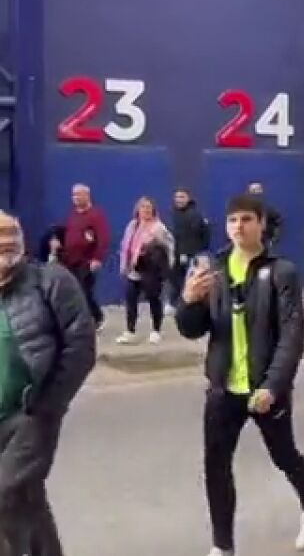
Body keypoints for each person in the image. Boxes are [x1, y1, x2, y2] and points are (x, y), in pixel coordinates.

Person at [177, 194, 304, 555]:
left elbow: (291, 336)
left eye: (246, 220)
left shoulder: (281, 271)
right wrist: (189, 301)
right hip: (223, 388)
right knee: (216, 466)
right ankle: (222, 545)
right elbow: (193, 330)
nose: (238, 227)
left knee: (284, 455)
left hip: (264, 389)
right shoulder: (215, 269)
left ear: (261, 224)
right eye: (232, 221)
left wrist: (273, 386)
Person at [0, 211, 96, 556]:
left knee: (6, 495)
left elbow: (81, 346)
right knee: (28, 496)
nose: (5, 250)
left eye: (10, 241)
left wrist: (49, 404)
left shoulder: (50, 280)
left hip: (31, 412)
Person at [115, 197, 175, 345]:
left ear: (153, 210)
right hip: (133, 269)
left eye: (149, 207)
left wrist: (167, 266)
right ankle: (130, 331)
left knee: (153, 299)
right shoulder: (132, 225)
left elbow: (169, 246)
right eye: (143, 207)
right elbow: (125, 245)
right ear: (138, 209)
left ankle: (156, 331)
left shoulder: (158, 227)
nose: (146, 210)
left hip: (150, 271)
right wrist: (124, 264)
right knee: (131, 300)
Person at [58, 184, 110, 327]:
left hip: (86, 261)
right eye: (73, 195)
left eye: (78, 194)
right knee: (73, 292)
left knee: (84, 291)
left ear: (87, 196)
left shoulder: (96, 215)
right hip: (70, 260)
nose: (75, 197)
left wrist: (97, 258)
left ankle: (97, 317)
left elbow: (103, 238)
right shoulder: (72, 215)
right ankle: (81, 320)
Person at [169, 189, 211, 314]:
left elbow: (203, 235)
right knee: (176, 280)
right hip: (177, 254)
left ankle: (190, 306)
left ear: (188, 198)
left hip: (190, 254)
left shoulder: (195, 215)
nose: (179, 199)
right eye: (177, 197)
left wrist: (191, 253)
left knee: (190, 279)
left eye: (182, 197)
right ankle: (176, 304)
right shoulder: (175, 215)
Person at [247, 182, 284, 248]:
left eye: (258, 191)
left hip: (264, 244)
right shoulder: (242, 212)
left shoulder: (268, 211)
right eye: (253, 191)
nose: (256, 194)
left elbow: (277, 222)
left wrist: (274, 238)